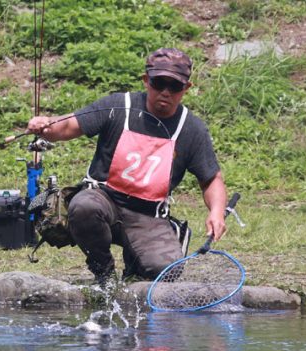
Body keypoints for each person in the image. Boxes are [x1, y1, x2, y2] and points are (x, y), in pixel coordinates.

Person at [27, 48, 227, 284]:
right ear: (146, 81)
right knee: (83, 206)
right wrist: (48, 127)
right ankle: (103, 272)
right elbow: (70, 125)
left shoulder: (192, 129)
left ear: (187, 88)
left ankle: (136, 266)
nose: (165, 92)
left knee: (166, 271)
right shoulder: (117, 106)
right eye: (158, 83)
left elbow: (211, 179)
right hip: (105, 201)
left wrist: (216, 212)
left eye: (174, 86)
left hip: (148, 216)